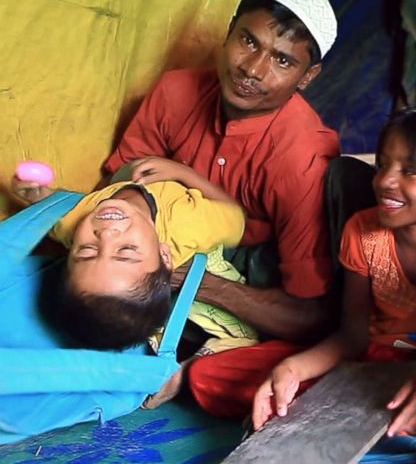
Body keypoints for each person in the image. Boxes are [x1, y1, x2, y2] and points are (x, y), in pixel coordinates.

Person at [103, 0, 340, 343]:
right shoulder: (175, 92)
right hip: (158, 249)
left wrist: (194, 280)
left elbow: (309, 316)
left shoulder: (304, 158)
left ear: (307, 76)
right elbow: (119, 184)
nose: (253, 69)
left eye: (281, 61)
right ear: (229, 31)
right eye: (248, 41)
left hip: (246, 284)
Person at [245, 104, 416, 436]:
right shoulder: (361, 230)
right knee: (234, 376)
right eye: (383, 164)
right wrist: (293, 368)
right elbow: (351, 337)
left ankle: (352, 417)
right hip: (369, 362)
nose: (385, 180)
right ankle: (359, 418)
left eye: (410, 171)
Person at [11, 157, 258, 403]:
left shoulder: (71, 224)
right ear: (164, 254)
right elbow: (237, 216)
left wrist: (38, 196)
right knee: (247, 336)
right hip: (196, 269)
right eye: (126, 250)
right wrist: (183, 173)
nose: (106, 234)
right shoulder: (190, 224)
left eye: (87, 250)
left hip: (153, 286)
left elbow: (59, 216)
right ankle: (179, 370)